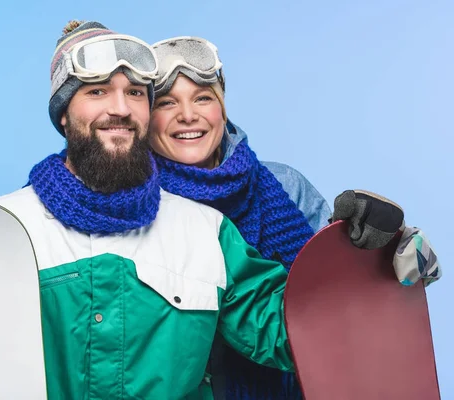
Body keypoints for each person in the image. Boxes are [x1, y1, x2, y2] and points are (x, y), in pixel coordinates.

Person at [0, 21, 298, 399]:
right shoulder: (5, 230)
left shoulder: (207, 233)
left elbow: (295, 332)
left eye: (134, 92)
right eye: (97, 92)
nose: (120, 108)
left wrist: (358, 266)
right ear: (63, 117)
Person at [148, 36, 441, 399]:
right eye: (166, 103)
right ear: (146, 118)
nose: (188, 115)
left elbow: (344, 287)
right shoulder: (137, 207)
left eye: (203, 98)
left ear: (222, 108)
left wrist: (397, 248)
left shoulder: (284, 185)